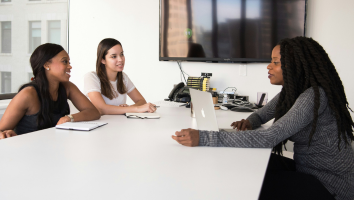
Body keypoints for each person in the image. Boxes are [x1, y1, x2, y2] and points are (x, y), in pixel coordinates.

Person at [172, 37, 354, 200]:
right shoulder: (292, 93)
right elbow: (262, 114)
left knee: (249, 182)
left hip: (330, 186)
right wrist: (250, 121)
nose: (269, 66)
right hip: (307, 170)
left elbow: (269, 137)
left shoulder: (313, 96)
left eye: (275, 62)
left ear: (295, 65)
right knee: (248, 163)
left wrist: (203, 137)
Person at [0, 43, 100, 141]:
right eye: (64, 61)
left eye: (69, 62)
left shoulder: (67, 87)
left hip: (53, 149)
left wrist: (69, 118)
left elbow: (93, 112)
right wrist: (4, 135)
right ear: (47, 65)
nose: (70, 66)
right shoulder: (28, 94)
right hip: (28, 153)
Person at [84, 38, 156, 115]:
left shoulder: (123, 77)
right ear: (103, 60)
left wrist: (127, 109)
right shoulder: (91, 77)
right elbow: (102, 109)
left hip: (120, 124)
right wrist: (133, 109)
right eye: (114, 56)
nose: (120, 59)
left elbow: (141, 101)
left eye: (121, 54)